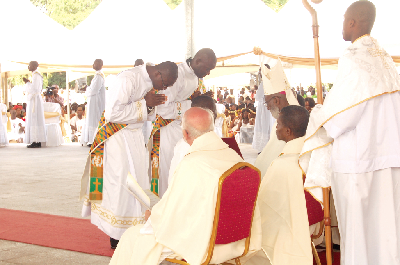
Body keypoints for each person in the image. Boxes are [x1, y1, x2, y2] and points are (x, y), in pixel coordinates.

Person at [300, 2, 400, 264]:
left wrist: (319, 112)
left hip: (358, 161)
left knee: (357, 232)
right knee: (386, 229)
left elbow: (340, 119)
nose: (343, 25)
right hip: (388, 159)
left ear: (354, 22)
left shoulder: (353, 58)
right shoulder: (386, 59)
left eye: (345, 19)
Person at [109, 107, 261, 265]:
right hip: (236, 241)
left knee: (131, 237)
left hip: (205, 243)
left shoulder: (192, 163)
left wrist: (153, 217)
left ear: (185, 134)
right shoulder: (234, 157)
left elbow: (173, 215)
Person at [80, 61, 179, 249]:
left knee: (138, 183)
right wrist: (145, 104)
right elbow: (112, 114)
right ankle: (116, 235)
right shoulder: (127, 79)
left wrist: (149, 107)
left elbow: (146, 114)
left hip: (134, 136)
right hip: (117, 138)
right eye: (165, 83)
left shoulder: (150, 81)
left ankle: (132, 228)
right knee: (121, 184)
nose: (164, 88)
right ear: (158, 74)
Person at [245, 105, 311, 265]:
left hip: (283, 236)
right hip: (311, 224)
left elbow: (264, 204)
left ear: (288, 131)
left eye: (278, 124)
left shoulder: (282, 164)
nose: (276, 127)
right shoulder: (312, 154)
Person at [149, 48, 217, 197]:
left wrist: (202, 98)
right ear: (198, 61)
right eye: (207, 68)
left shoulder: (196, 75)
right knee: (170, 174)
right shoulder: (178, 75)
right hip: (169, 130)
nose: (208, 73)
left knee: (184, 173)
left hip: (186, 128)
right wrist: (193, 105)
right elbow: (162, 109)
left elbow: (189, 98)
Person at [254, 59, 299, 178]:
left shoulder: (285, 123)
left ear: (276, 100)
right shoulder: (296, 115)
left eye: (267, 103)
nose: (267, 108)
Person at [82, 59, 106, 146]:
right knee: (92, 119)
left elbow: (94, 90)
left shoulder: (99, 76)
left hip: (96, 102)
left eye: (94, 63)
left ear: (100, 64)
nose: (93, 65)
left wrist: (87, 89)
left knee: (94, 119)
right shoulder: (97, 75)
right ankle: (91, 139)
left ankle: (94, 140)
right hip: (93, 101)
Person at [22, 61, 46, 148]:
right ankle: (36, 140)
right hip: (35, 99)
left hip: (35, 100)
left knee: (34, 119)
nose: (28, 67)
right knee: (35, 119)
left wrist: (27, 83)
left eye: (30, 65)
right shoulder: (35, 75)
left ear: (35, 66)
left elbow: (34, 88)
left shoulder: (36, 75)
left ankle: (35, 140)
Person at [252, 67, 275, 152]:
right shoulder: (273, 82)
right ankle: (268, 147)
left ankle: (263, 148)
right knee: (269, 126)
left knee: (263, 126)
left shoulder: (264, 82)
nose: (260, 74)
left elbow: (258, 96)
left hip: (264, 108)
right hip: (271, 107)